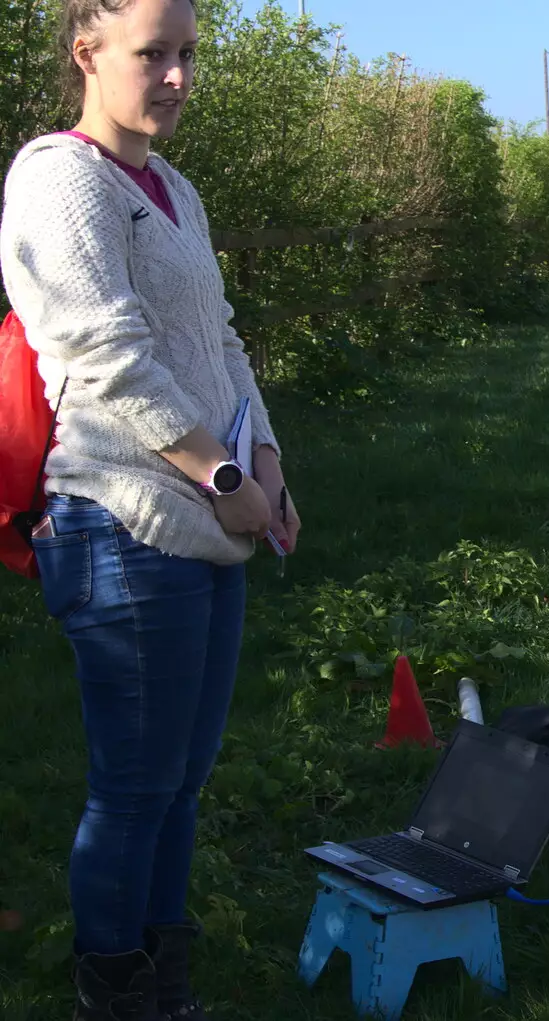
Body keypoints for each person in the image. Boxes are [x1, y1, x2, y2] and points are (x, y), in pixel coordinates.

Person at [0, 0, 301, 1015]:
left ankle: (164, 984)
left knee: (180, 785)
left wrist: (267, 459)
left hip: (213, 520)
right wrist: (225, 480)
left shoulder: (172, 187)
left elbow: (216, 338)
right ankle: (112, 993)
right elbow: (106, 357)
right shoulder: (58, 181)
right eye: (151, 54)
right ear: (87, 54)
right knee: (132, 791)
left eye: (186, 54)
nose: (175, 76)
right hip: (123, 524)